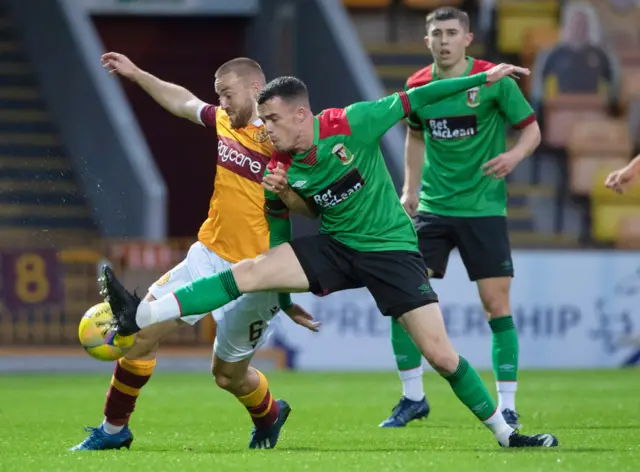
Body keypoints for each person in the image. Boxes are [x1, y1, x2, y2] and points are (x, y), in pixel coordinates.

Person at [102, 68, 559, 449]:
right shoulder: (282, 167)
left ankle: (505, 433)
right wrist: (282, 295)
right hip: (338, 246)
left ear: (302, 115)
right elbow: (280, 227)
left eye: (274, 120)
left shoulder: (354, 122)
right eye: (263, 120)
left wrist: (483, 76)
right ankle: (140, 313)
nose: (268, 130)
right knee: (250, 271)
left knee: (440, 357)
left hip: (390, 250)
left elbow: (416, 97)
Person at [71, 54, 318, 452]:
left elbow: (313, 208)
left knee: (227, 376)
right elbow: (182, 101)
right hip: (208, 255)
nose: (221, 103)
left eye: (227, 93)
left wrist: (286, 292)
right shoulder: (225, 122)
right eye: (218, 95)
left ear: (256, 89)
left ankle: (269, 415)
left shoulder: (286, 141)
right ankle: (114, 431)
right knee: (138, 336)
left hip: (258, 274)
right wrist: (136, 74)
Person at [379, 7, 542, 430]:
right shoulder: (418, 84)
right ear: (427, 41)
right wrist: (409, 189)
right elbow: (414, 135)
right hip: (432, 208)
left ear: (468, 38)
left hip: (483, 208)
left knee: (495, 306)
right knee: (405, 300)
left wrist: (514, 155)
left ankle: (507, 404)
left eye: (452, 32)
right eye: (437, 33)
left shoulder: (493, 81)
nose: (444, 40)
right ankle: (412, 397)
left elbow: (532, 130)